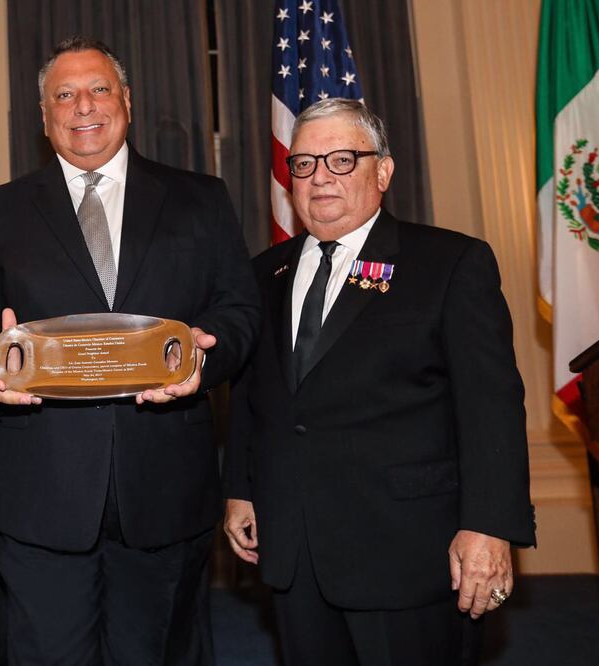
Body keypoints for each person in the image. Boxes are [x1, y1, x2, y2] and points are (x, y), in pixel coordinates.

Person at [0, 37, 259, 664]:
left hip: (166, 494)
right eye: (64, 94)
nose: (83, 105)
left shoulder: (201, 198)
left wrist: (200, 359)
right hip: (41, 500)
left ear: (127, 102)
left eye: (99, 89)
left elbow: (241, 315)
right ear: (45, 116)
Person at [223, 98, 535, 666]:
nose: (320, 178)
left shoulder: (449, 263)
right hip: (294, 547)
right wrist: (241, 487)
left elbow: (491, 407)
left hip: (407, 551)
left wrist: (489, 526)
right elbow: (253, 394)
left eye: (342, 160)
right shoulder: (264, 273)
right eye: (304, 164)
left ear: (383, 171)